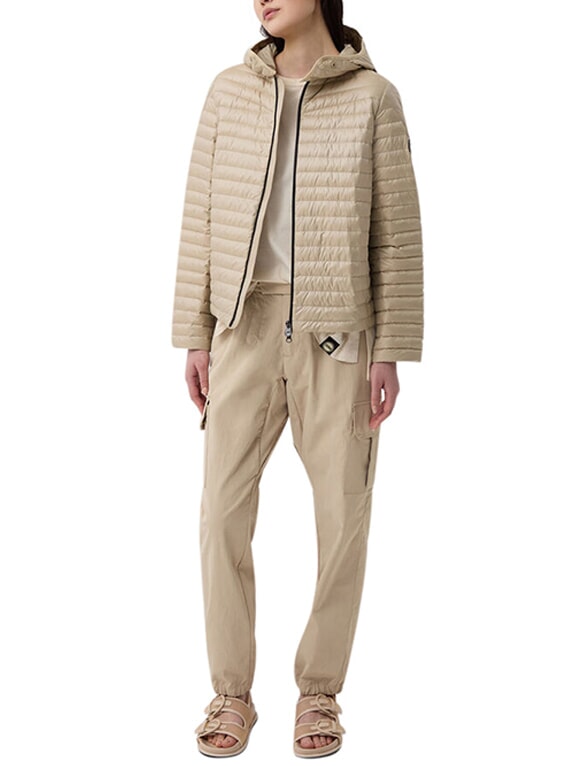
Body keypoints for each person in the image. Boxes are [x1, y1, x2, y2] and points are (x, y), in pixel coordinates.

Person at [171, 0, 423, 757]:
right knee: (221, 515)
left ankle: (319, 694)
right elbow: (199, 217)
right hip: (242, 327)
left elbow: (397, 233)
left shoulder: (374, 97)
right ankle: (231, 693)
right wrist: (195, 332)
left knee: (343, 518)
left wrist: (391, 348)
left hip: (337, 332)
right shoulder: (228, 91)